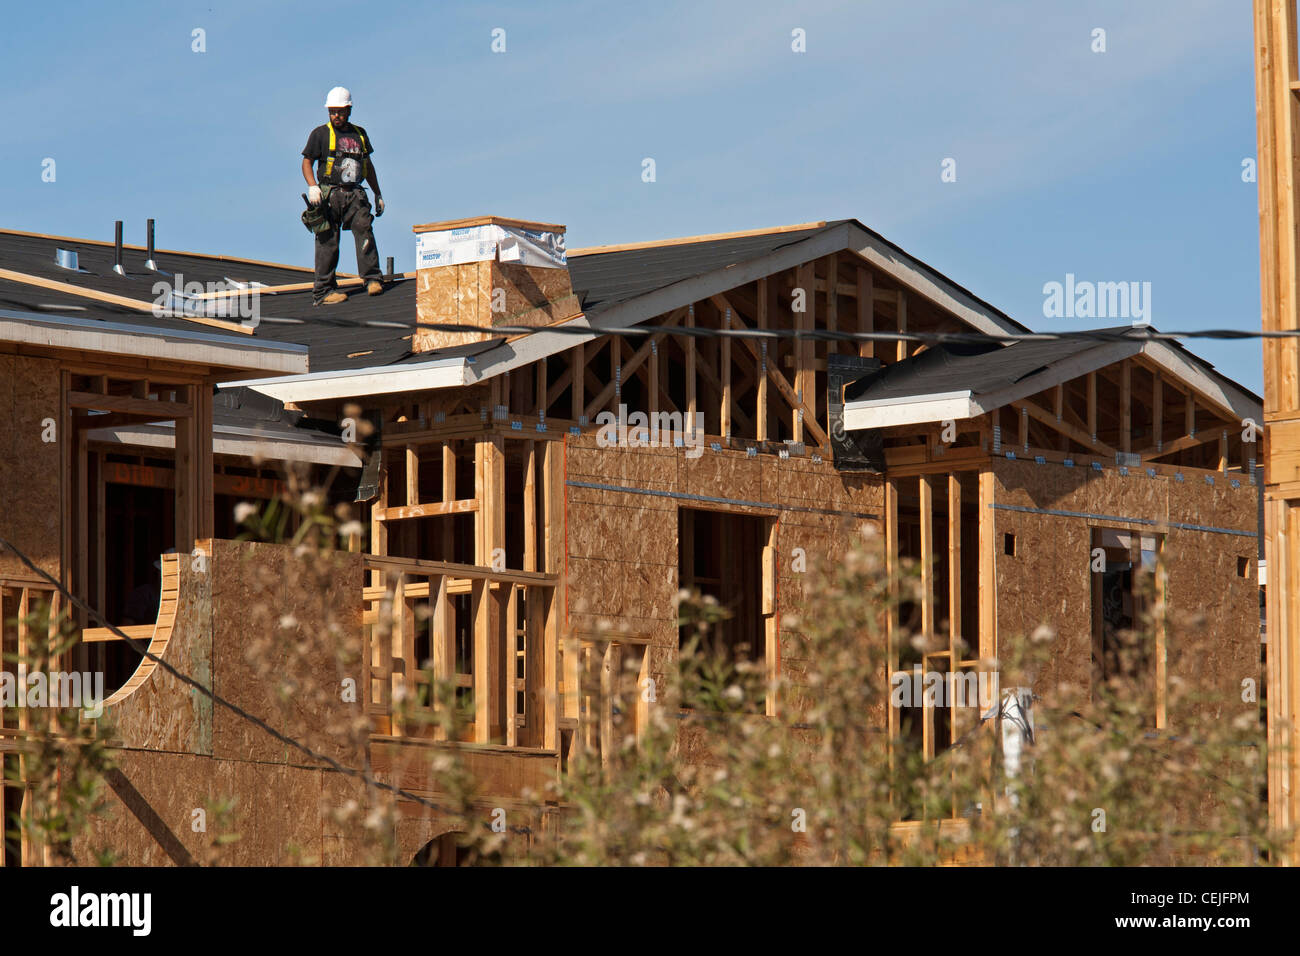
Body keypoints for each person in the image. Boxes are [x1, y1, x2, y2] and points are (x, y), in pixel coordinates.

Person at [301, 86, 385, 305]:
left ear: (349, 110)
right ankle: (323, 291)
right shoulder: (320, 134)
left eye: (339, 111)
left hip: (355, 194)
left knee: (364, 229)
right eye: (332, 111)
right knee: (327, 240)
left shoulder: (359, 134)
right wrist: (312, 186)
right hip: (329, 195)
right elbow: (307, 161)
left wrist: (377, 193)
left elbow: (367, 165)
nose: (335, 115)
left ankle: (372, 279)